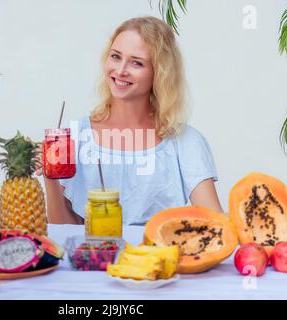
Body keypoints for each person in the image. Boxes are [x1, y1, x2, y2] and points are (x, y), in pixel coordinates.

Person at [41, 16, 223, 225]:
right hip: (94, 257)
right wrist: (50, 179)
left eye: (137, 62)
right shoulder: (72, 136)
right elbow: (64, 230)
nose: (120, 70)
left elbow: (216, 223)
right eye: (116, 57)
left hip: (159, 256)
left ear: (159, 73)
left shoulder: (186, 142)